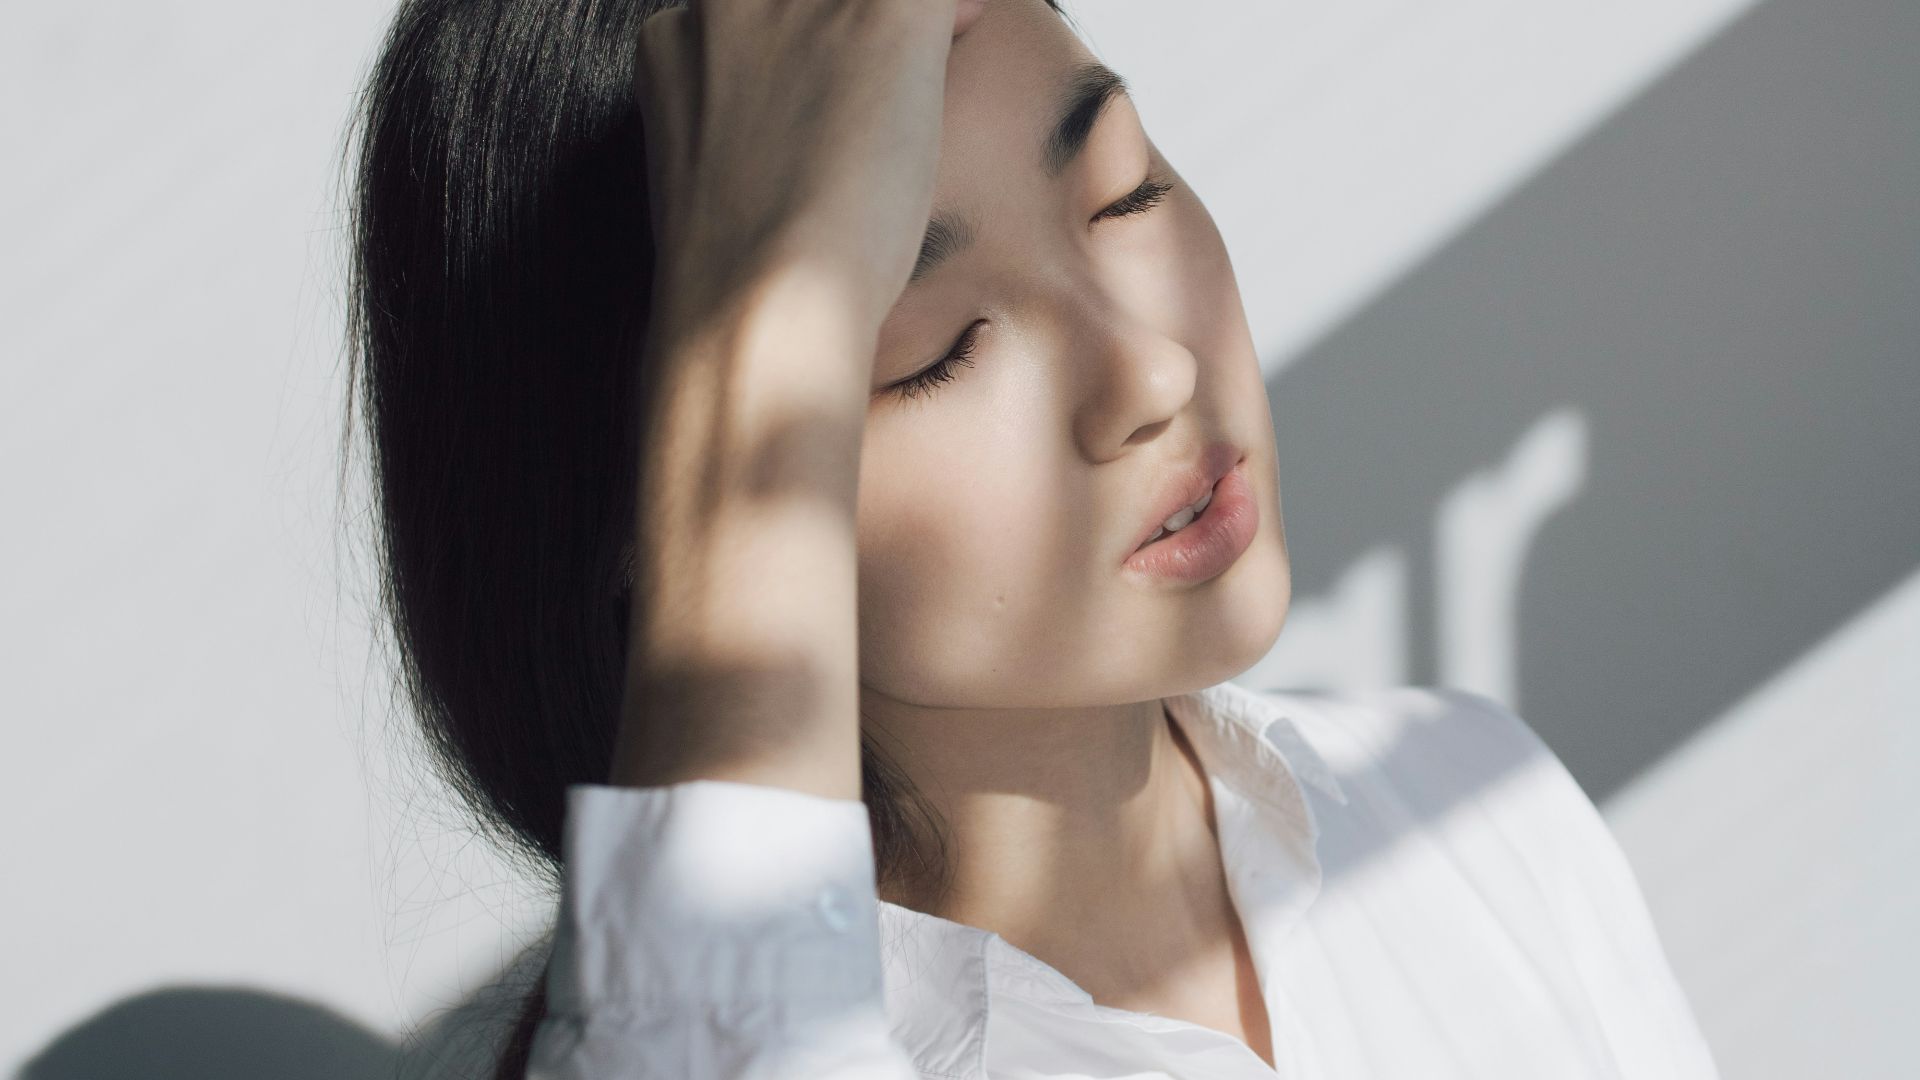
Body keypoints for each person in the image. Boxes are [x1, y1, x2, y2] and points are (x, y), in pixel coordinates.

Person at [340, 0, 1724, 1076]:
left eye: (1124, 192)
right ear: (672, 501)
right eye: (933, 350)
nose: (1152, 375)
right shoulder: (729, 1036)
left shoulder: (1475, 809)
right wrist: (764, 315)